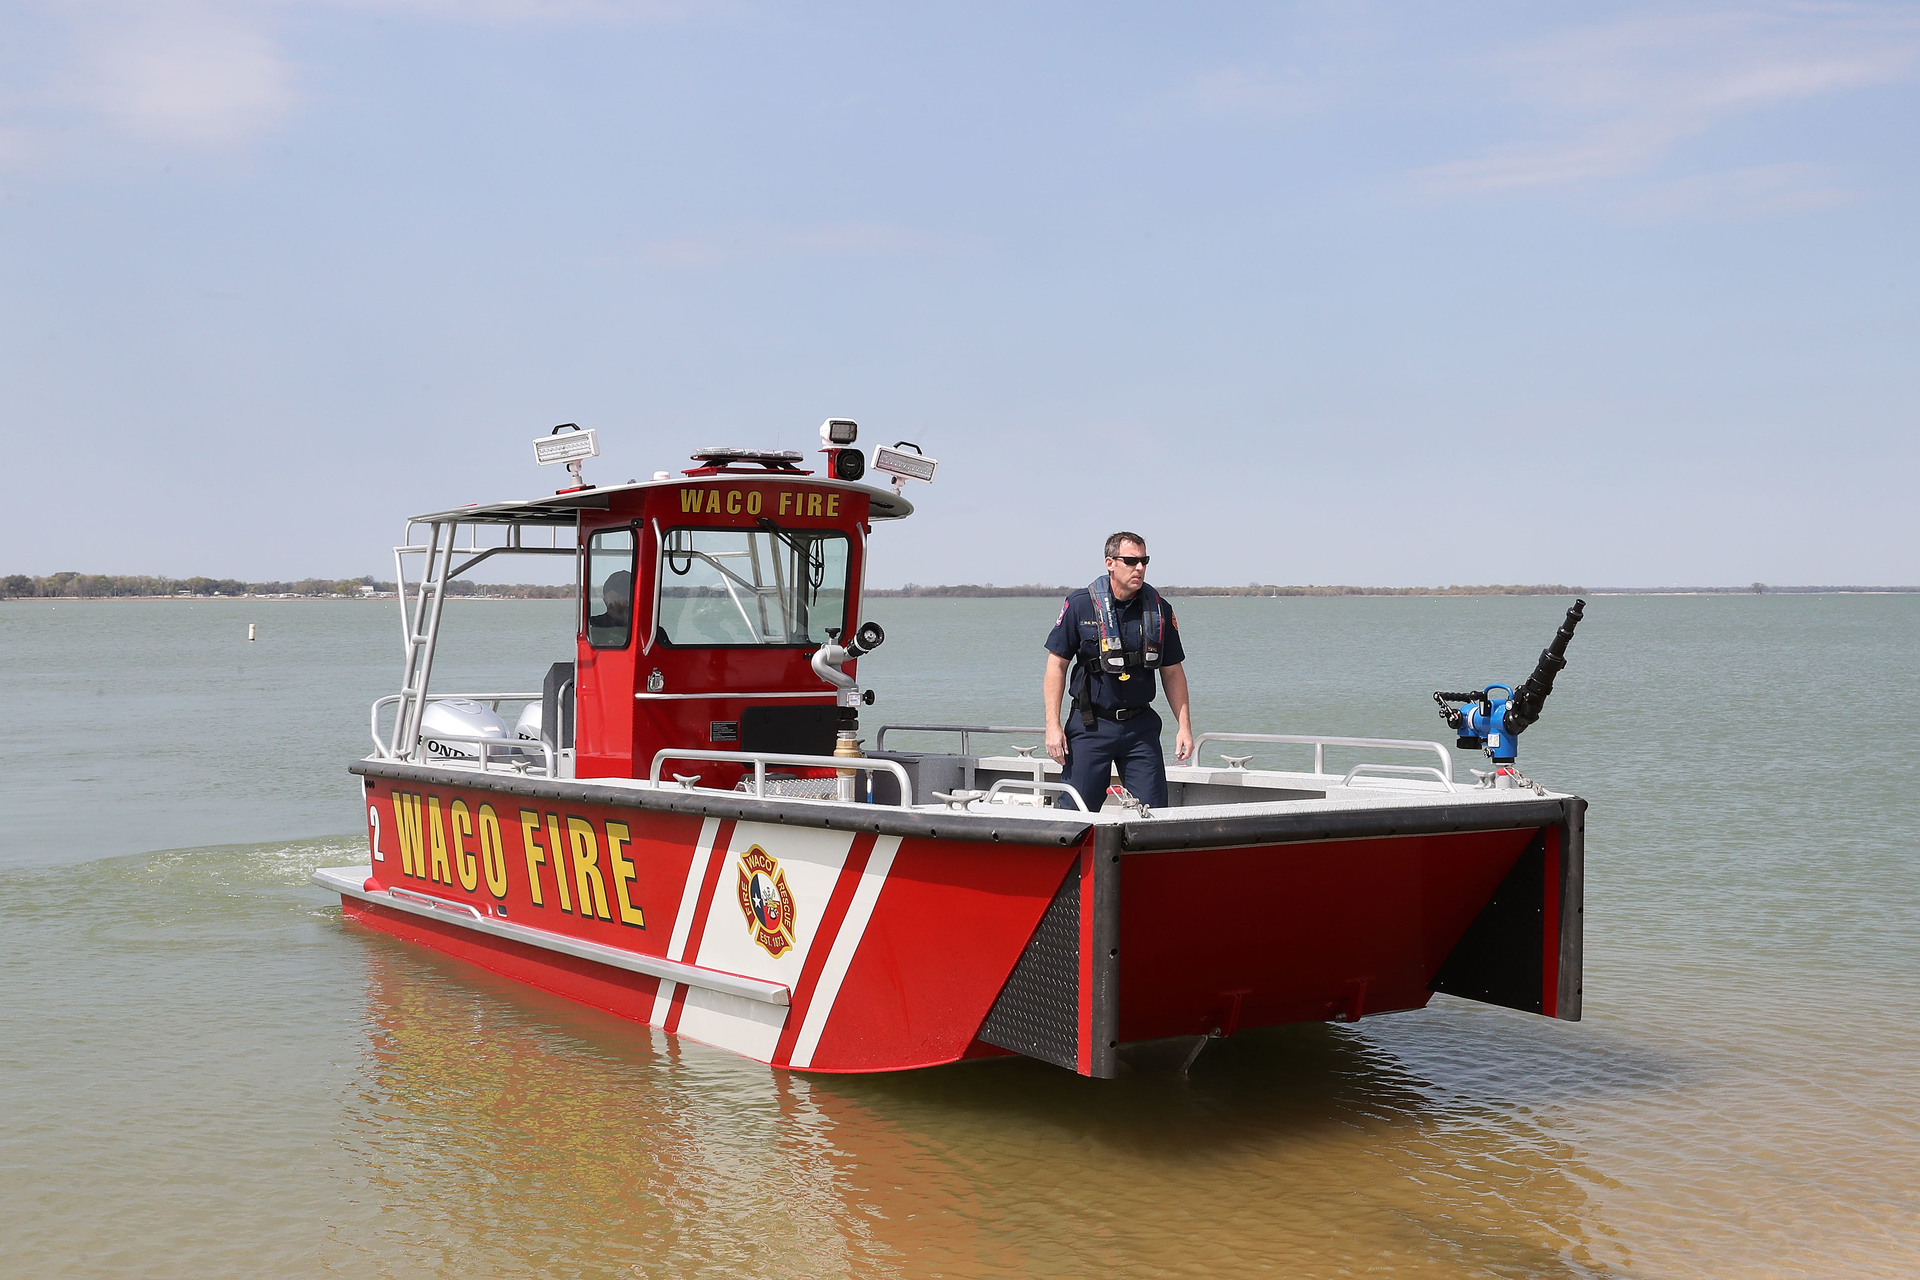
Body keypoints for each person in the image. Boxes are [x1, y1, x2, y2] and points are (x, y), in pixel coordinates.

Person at [1043, 532, 1193, 811]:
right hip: (1091, 726)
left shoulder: (1159, 610)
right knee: (1076, 813)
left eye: (1144, 561)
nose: (1139, 568)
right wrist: (1052, 726)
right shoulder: (1080, 605)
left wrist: (1184, 727)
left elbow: (1172, 672)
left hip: (1140, 729)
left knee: (1154, 814)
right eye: (1131, 560)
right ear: (1110, 563)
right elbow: (1056, 666)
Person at [589, 570, 632, 646]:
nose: (625, 601)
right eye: (620, 596)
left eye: (627, 595)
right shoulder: (592, 626)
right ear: (605, 600)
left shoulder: (652, 631)